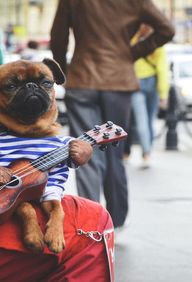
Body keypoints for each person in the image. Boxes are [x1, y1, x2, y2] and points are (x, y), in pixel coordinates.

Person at [50, 0, 175, 228]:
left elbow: (58, 36)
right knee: (114, 152)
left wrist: (63, 71)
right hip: (119, 80)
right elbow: (167, 29)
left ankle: (90, 220)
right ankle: (116, 218)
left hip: (82, 78)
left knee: (86, 152)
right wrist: (130, 53)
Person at [125, 24, 170, 169]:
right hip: (152, 82)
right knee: (149, 120)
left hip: (136, 83)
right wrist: (164, 94)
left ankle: (146, 154)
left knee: (141, 120)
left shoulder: (133, 42)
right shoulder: (158, 45)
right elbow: (163, 70)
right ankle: (147, 152)